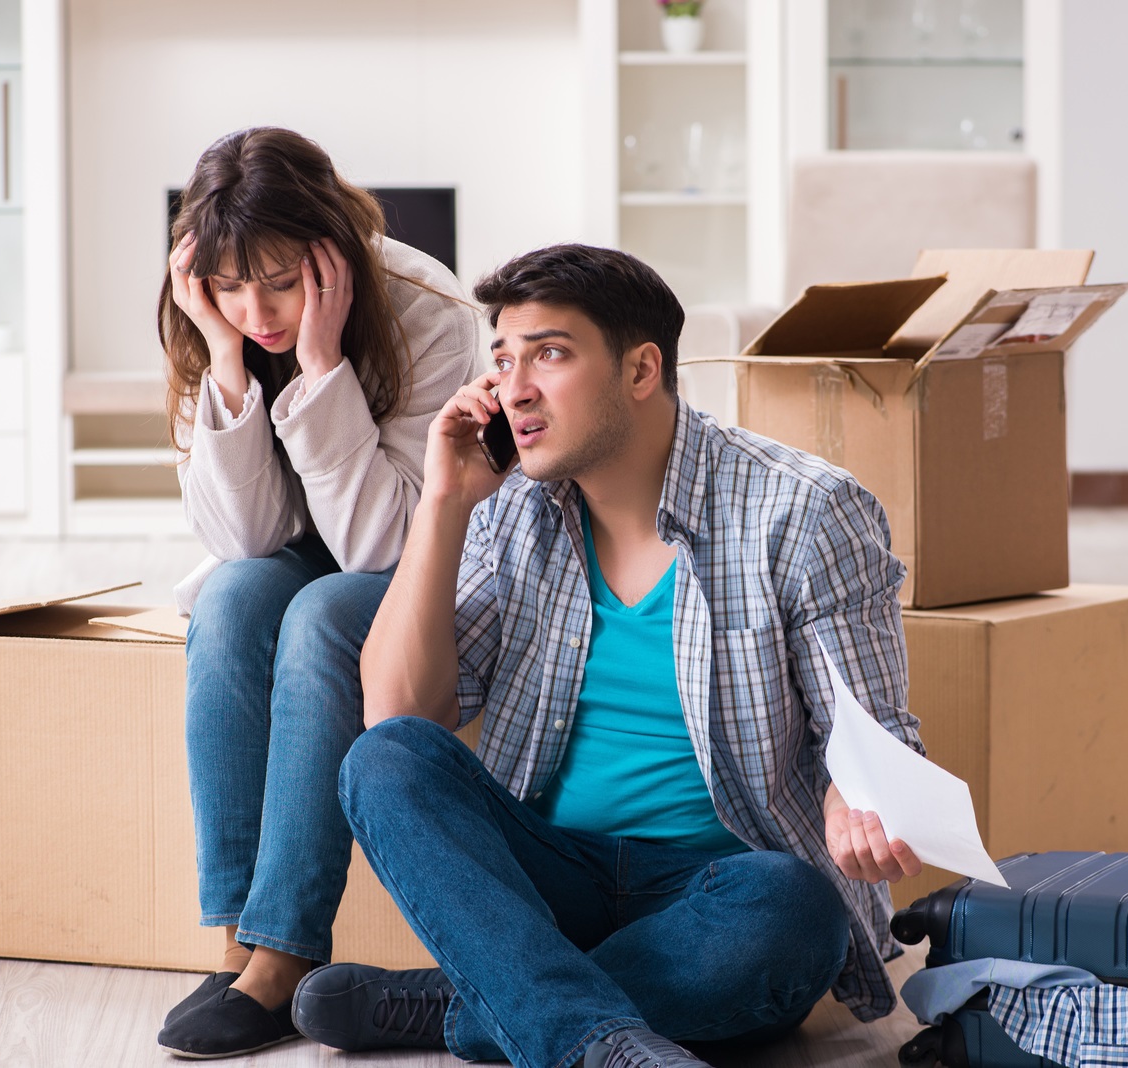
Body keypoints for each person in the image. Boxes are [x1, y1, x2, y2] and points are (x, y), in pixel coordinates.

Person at [291, 244, 925, 1068]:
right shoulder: (511, 509)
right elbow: (401, 713)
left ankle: (476, 1004)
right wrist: (442, 500)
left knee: (794, 906)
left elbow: (869, 728)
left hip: (721, 898)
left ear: (640, 369)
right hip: (552, 887)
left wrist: (855, 796)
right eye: (504, 359)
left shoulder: (803, 511)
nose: (515, 387)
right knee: (385, 760)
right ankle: (597, 1042)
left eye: (550, 354)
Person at [154, 127, 479, 1059]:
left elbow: (386, 545)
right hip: (306, 549)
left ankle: (286, 951)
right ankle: (238, 939)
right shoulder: (211, 320)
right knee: (230, 600)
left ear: (327, 256)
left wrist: (325, 367)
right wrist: (223, 358)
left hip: (427, 562)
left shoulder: (428, 309)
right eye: (227, 284)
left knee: (321, 615)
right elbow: (245, 538)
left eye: (280, 282)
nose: (257, 310)